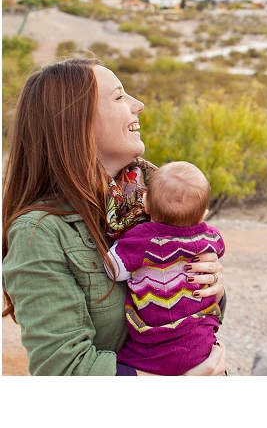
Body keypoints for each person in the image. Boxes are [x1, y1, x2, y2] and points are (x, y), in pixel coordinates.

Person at [2, 58, 226, 376]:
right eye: (120, 96)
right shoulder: (39, 233)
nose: (139, 104)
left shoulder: (145, 201)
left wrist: (211, 285)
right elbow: (63, 371)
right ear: (76, 122)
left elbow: (195, 311)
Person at [104, 161, 226, 375]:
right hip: (202, 347)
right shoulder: (211, 237)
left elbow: (113, 268)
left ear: (146, 204)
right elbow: (219, 250)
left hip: (155, 352)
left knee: (122, 362)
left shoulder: (141, 240)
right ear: (203, 214)